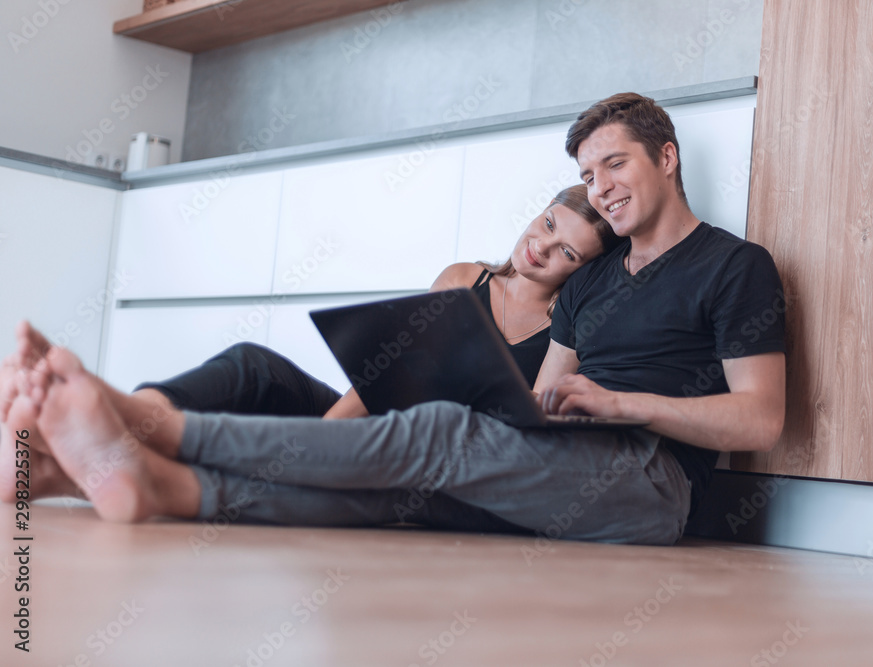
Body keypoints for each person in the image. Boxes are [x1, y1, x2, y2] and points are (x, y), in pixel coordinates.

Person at [2, 93, 786, 546]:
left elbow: (761, 419)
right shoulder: (591, 284)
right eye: (587, 173)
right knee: (391, 492)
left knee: (436, 435)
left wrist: (620, 404)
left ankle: (146, 427)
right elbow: (544, 396)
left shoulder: (733, 266)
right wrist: (528, 409)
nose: (603, 184)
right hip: (571, 461)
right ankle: (123, 482)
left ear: (668, 157)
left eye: (616, 163)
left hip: (651, 483)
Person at [0, 185, 620, 526]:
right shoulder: (465, 278)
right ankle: (119, 424)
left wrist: (310, 454)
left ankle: (72, 460)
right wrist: (318, 444)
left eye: (567, 251)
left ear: (583, 273)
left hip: (431, 453)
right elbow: (385, 374)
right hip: (369, 417)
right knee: (253, 364)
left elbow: (527, 434)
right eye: (546, 223)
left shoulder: (566, 333)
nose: (542, 246)